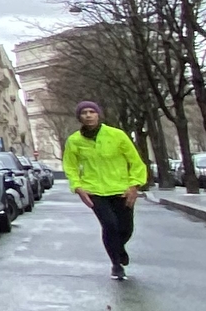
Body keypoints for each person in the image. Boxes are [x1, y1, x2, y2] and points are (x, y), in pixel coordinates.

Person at [62, 100, 148, 280]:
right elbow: (70, 166)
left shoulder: (117, 135)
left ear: (98, 114)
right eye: (84, 112)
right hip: (95, 191)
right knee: (109, 225)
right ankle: (116, 264)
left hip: (121, 189)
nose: (88, 115)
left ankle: (119, 248)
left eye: (91, 112)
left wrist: (134, 185)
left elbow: (135, 161)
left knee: (125, 228)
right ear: (79, 117)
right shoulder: (74, 141)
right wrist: (78, 187)